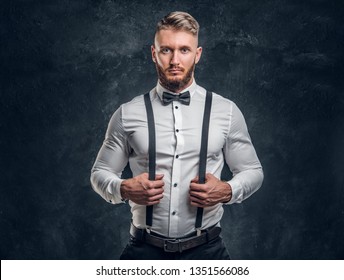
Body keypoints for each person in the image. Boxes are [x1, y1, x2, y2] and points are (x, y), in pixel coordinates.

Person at [90, 11, 263, 260]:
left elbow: (253, 171)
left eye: (184, 50)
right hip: (143, 250)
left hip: (208, 251)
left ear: (197, 54)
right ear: (153, 53)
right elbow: (99, 173)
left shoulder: (226, 111)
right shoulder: (127, 113)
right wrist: (123, 188)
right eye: (166, 50)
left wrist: (227, 190)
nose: (175, 60)